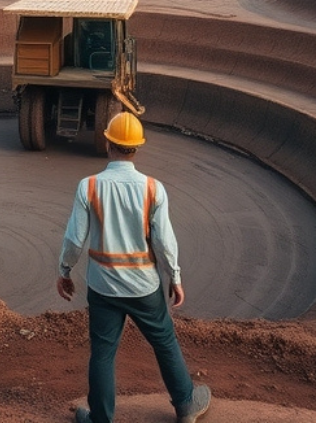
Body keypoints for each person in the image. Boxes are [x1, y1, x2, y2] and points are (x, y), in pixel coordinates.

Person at [56, 112, 212, 423]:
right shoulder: (154, 189)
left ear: (108, 141)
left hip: (102, 286)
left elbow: (75, 239)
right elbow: (165, 242)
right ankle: (185, 404)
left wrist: (64, 271)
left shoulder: (88, 187)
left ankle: (100, 418)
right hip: (144, 286)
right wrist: (175, 277)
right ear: (136, 147)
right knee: (164, 340)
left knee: (102, 352)